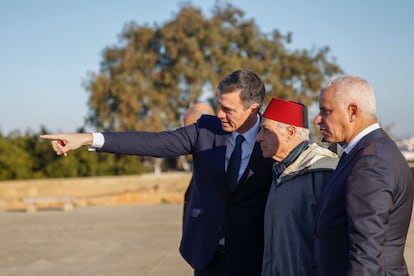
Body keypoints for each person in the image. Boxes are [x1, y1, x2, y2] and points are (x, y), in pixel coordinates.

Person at [40, 69, 274, 276]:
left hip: (254, 258)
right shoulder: (205, 129)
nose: (219, 114)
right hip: (207, 256)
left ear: (253, 109)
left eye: (227, 109)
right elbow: (154, 143)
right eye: (219, 105)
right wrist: (88, 138)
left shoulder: (273, 138)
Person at [313, 75, 414, 275]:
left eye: (326, 111)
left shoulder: (371, 162)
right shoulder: (368, 151)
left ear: (352, 111)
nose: (317, 120)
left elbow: (366, 253)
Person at [256, 97, 338, 276]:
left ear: (290, 132)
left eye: (265, 130)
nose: (258, 137)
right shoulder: (279, 172)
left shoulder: (323, 172)